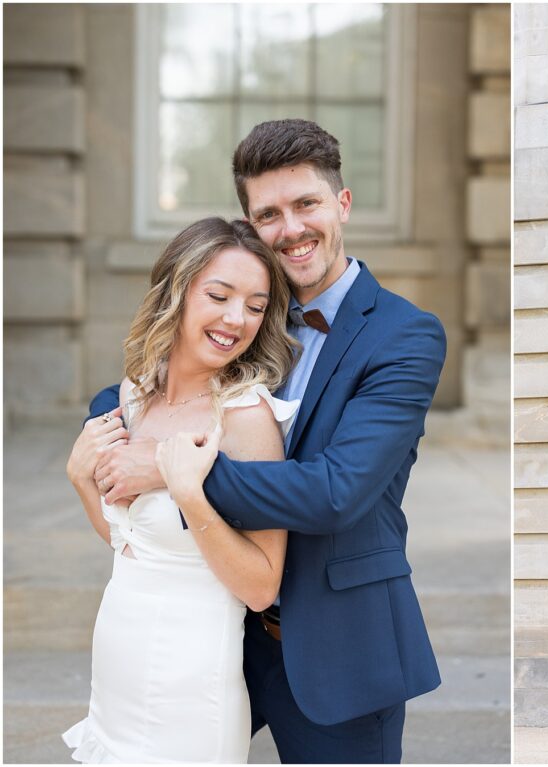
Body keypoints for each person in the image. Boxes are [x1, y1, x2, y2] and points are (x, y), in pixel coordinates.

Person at [86, 119, 445, 763]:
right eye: (269, 213)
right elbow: (146, 392)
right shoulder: (246, 314)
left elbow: (338, 491)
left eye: (306, 203)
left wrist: (172, 469)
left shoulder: (405, 335)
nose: (291, 228)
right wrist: (104, 435)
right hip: (218, 634)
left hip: (341, 642)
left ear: (342, 203)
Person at [64, 217, 301, 762]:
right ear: (176, 291)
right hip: (115, 673)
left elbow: (262, 586)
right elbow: (132, 548)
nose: (236, 319)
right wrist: (82, 481)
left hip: (187, 687)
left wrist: (189, 493)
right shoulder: (133, 396)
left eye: (256, 305)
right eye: (219, 295)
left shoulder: (243, 417)